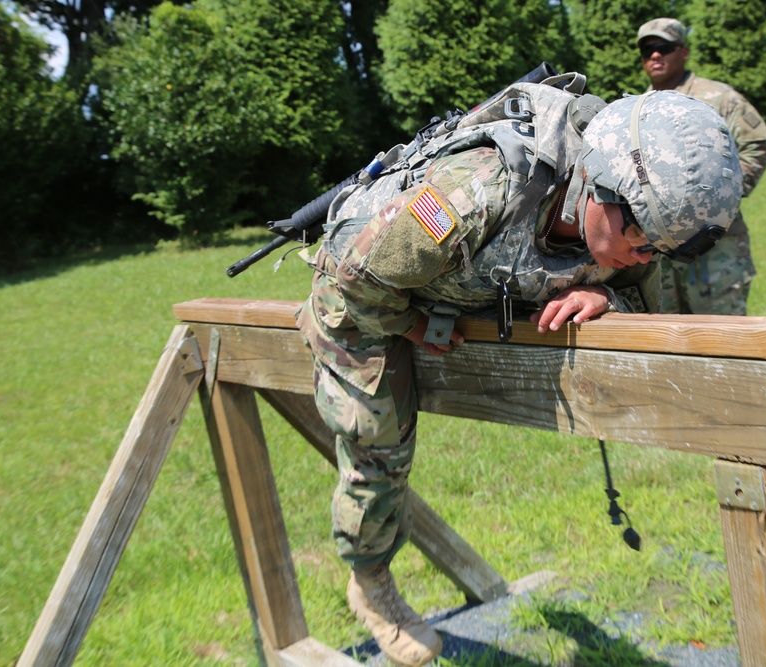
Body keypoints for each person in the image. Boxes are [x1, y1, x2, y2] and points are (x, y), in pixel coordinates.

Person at [297, 80, 741, 666]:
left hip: (464, 284)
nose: (646, 255)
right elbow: (359, 275)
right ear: (599, 187)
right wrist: (411, 327)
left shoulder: (630, 230)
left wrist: (612, 303)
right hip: (368, 300)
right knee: (377, 441)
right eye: (641, 237)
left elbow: (651, 307)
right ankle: (371, 583)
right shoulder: (476, 189)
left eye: (663, 248)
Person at [636, 17, 766, 315]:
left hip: (715, 247)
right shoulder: (637, 109)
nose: (655, 55)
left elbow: (756, 147)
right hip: (659, 253)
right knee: (667, 342)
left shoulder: (720, 98)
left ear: (683, 51)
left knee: (724, 341)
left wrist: (722, 196)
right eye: (648, 51)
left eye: (664, 47)